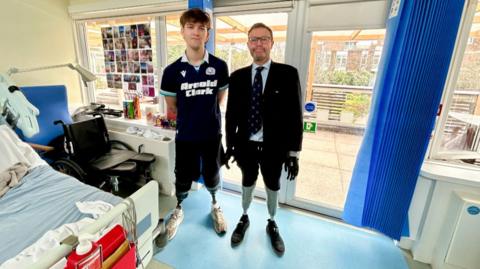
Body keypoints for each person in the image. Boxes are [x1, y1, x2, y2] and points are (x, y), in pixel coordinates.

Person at [224, 22, 303, 255]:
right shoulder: (237, 77)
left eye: (264, 39)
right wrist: (229, 146)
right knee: (247, 181)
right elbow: (231, 115)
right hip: (245, 146)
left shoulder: (288, 74)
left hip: (274, 147)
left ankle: (272, 221)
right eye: (254, 39)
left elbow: (295, 116)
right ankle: (245, 216)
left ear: (272, 43)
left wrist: (293, 153)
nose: (259, 43)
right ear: (248, 44)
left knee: (272, 184)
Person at [160, 8, 229, 240]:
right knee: (183, 175)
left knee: (212, 174)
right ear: (182, 32)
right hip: (186, 136)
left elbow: (218, 100)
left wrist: (203, 114)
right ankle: (178, 208)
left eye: (202, 28)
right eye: (191, 27)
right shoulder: (171, 71)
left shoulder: (220, 67)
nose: (196, 32)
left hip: (211, 135)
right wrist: (191, 118)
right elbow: (172, 108)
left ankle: (215, 204)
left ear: (208, 34)